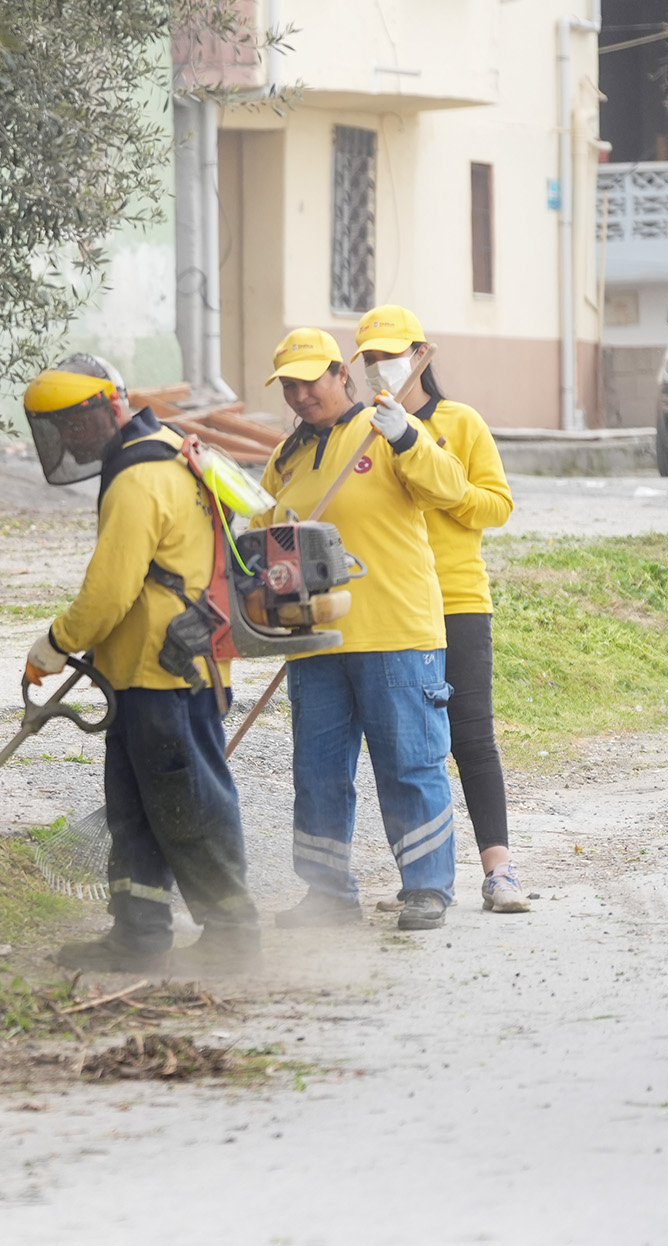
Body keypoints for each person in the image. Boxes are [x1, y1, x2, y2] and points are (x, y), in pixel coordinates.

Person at [18, 354, 261, 974]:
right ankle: (139, 932)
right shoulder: (168, 446)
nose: (71, 438)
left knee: (189, 806)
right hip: (150, 672)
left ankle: (234, 933)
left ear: (110, 407)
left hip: (166, 674)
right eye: (60, 429)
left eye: (76, 423)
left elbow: (110, 590)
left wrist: (56, 642)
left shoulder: (137, 478)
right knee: (137, 807)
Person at [259, 328, 473, 931]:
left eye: (311, 381)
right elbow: (260, 523)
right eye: (290, 387)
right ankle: (327, 894)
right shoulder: (289, 455)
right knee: (318, 774)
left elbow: (450, 488)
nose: (301, 396)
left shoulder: (388, 428)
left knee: (409, 764)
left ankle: (427, 888)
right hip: (315, 638)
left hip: (395, 633)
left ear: (340, 374)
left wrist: (407, 436)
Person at [354, 306, 527, 914]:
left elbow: (497, 506)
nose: (381, 367)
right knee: (405, 744)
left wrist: (444, 490)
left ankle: (499, 871)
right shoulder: (362, 432)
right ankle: (422, 878)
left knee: (471, 735)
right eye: (369, 359)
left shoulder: (461, 422)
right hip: (395, 606)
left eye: (391, 354)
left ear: (422, 353)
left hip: (456, 600)